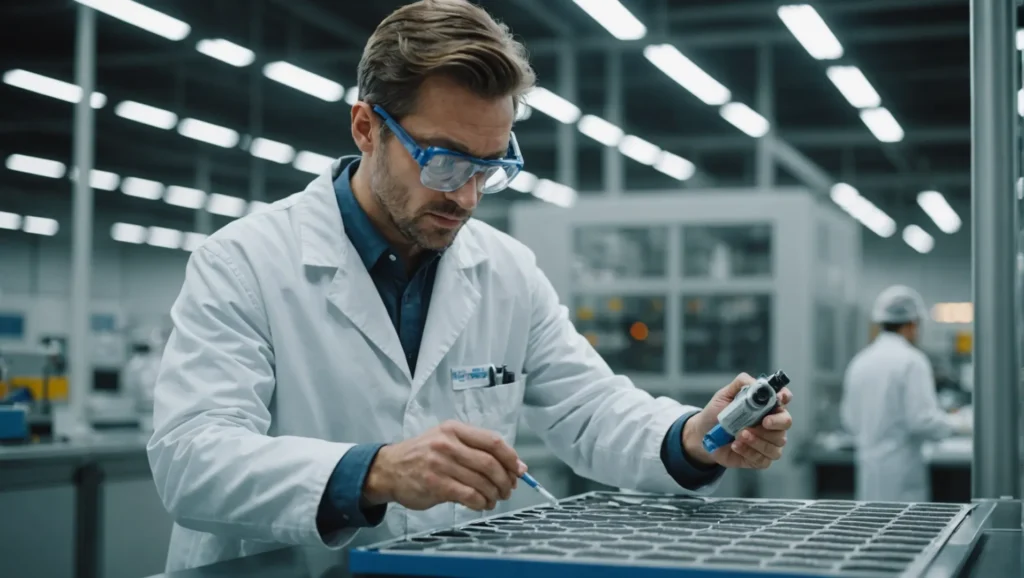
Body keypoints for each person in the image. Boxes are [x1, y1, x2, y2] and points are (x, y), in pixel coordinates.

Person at [147, 0, 794, 571]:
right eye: (445, 160)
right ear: (367, 127)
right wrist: (373, 472)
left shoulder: (506, 268)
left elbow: (589, 408)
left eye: (490, 166)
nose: (466, 195)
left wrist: (690, 436)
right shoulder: (244, 261)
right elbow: (191, 461)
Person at [840, 285, 967, 502]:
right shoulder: (912, 361)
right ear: (913, 323)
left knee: (872, 532)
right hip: (902, 477)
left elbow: (850, 420)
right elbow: (922, 421)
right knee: (905, 533)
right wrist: (959, 424)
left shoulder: (860, 361)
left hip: (869, 472)